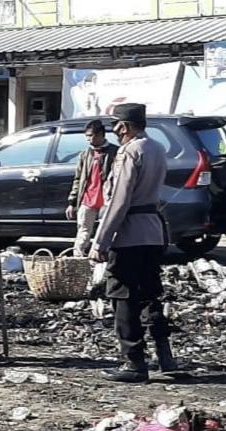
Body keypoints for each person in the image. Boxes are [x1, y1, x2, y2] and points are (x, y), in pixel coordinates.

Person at [89, 103, 175, 383]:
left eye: (115, 125)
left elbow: (119, 199)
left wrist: (101, 240)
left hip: (129, 233)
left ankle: (134, 362)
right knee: (150, 293)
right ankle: (165, 356)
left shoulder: (129, 152)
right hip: (152, 231)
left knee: (122, 295)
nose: (113, 131)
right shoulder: (157, 148)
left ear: (124, 126)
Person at [66, 120, 118, 256]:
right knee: (83, 231)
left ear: (100, 135)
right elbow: (78, 179)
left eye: (90, 136)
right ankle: (78, 260)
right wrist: (72, 202)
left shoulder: (115, 152)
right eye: (87, 136)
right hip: (87, 199)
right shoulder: (85, 154)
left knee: (106, 232)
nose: (88, 139)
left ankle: (103, 260)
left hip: (107, 200)